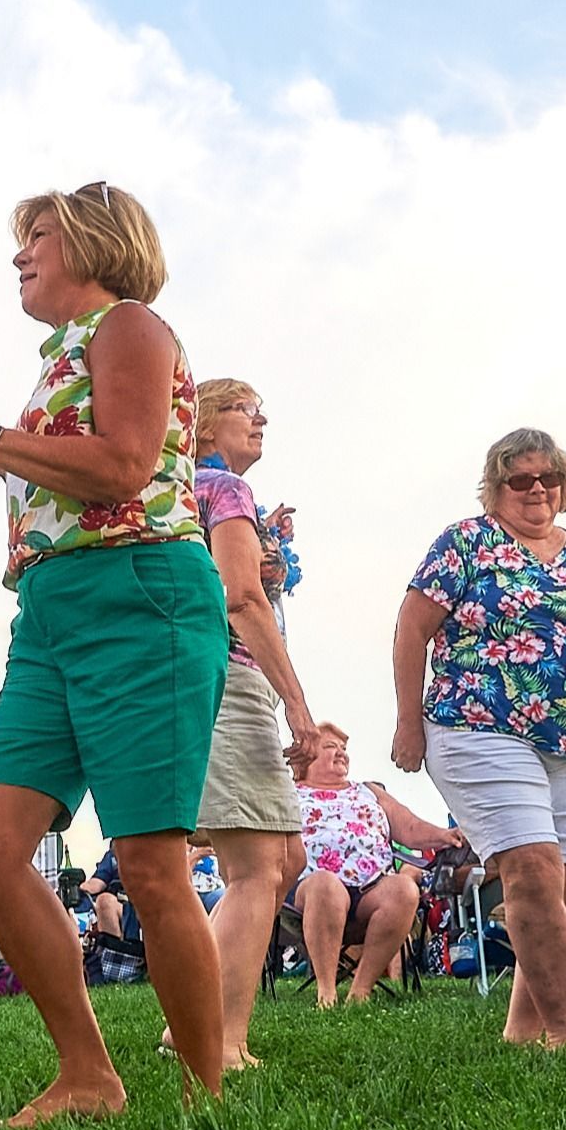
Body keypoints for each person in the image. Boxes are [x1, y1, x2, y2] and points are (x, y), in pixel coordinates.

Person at [0, 181, 229, 1123]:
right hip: (51, 615)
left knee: (146, 860)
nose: (20, 255)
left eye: (38, 237)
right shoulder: (59, 357)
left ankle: (202, 1095)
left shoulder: (130, 325)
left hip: (140, 596)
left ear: (95, 242)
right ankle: (88, 1075)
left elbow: (126, 466)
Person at [392, 428, 566, 1047]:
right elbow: (412, 628)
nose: (536, 488)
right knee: (532, 868)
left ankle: (522, 1030)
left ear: (565, 488)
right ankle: (564, 1034)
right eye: (520, 479)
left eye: (548, 478)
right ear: (495, 490)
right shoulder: (466, 542)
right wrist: (408, 722)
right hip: (477, 724)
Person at [187, 379, 319, 1069]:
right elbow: (239, 598)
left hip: (197, 677)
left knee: (281, 857)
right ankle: (217, 1040)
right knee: (258, 866)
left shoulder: (193, 491)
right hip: (229, 676)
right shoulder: (224, 492)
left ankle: (195, 1021)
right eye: (244, 408)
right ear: (207, 426)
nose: (260, 417)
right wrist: (297, 706)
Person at [288, 724, 461, 1006]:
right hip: (309, 890)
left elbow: (410, 826)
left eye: (343, 749)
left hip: (371, 887)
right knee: (326, 886)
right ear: (305, 757)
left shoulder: (368, 791)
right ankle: (327, 992)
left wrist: (444, 835)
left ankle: (361, 990)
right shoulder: (290, 794)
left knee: (404, 889)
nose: (341, 754)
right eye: (330, 747)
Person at [79, 848, 129, 939]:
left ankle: (114, 951)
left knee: (106, 903)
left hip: (143, 906)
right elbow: (97, 882)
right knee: (104, 902)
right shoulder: (114, 855)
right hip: (118, 903)